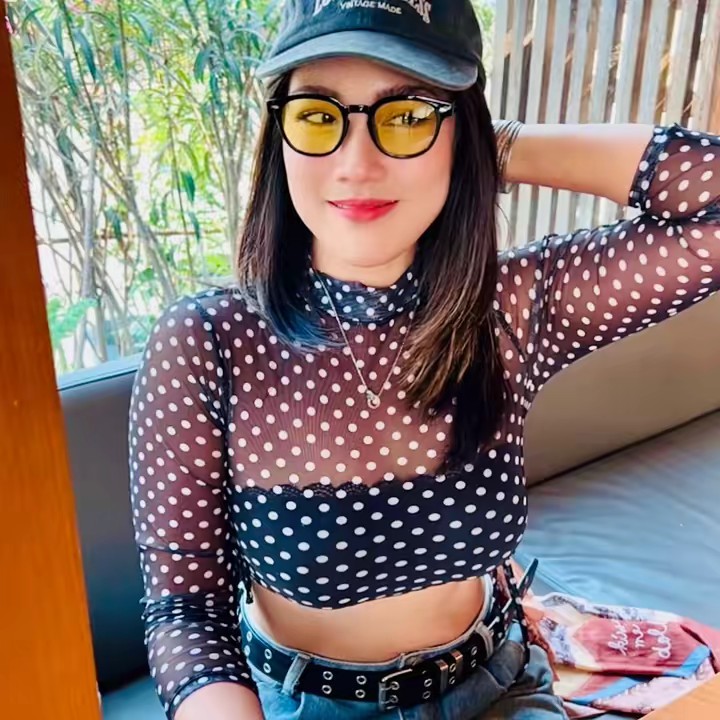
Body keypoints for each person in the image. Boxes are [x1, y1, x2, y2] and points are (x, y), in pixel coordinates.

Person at [127, 1, 720, 719]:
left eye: (407, 116)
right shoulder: (211, 339)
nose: (357, 164)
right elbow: (187, 610)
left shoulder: (510, 307)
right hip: (307, 705)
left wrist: (492, 148)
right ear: (280, 134)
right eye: (317, 116)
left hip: (498, 683)